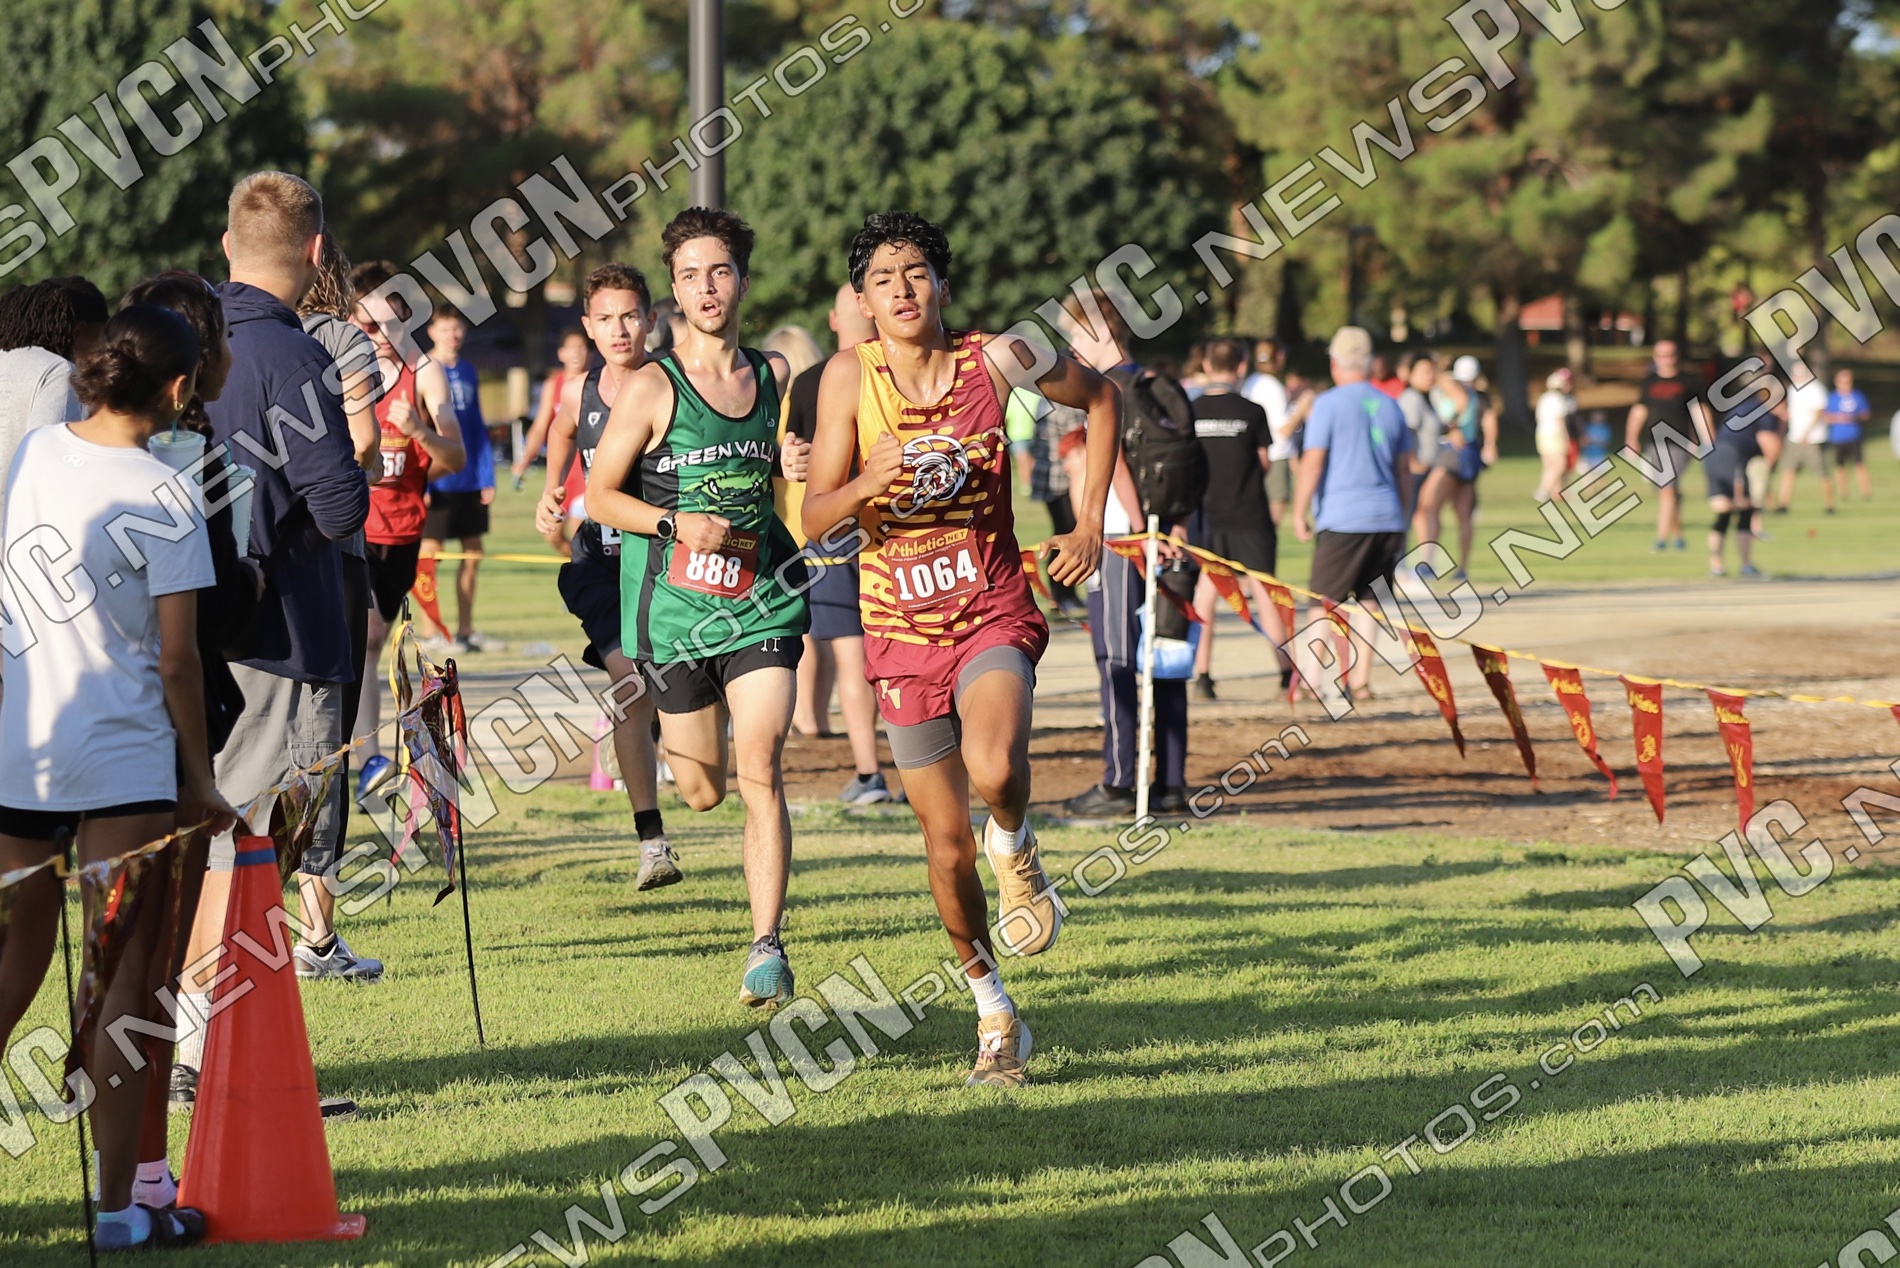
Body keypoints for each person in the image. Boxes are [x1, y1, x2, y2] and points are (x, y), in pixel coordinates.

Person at [802, 212, 1118, 1089]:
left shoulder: (1002, 355)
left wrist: (1088, 521)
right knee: (945, 849)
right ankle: (994, 1012)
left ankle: (1015, 843)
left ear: (942, 284)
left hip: (989, 609)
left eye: (916, 273)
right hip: (899, 634)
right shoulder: (846, 377)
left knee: (996, 765)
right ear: (862, 300)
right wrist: (865, 482)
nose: (901, 290)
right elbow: (814, 517)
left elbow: (1101, 398)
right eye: (882, 279)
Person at [0, 304, 237, 1249]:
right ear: (178, 387)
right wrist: (203, 781)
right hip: (124, 761)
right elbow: (179, 662)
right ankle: (116, 1211)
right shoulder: (168, 489)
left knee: (10, 971)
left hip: (23, 751)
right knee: (125, 992)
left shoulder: (32, 455)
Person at [585, 208, 811, 1008]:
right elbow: (600, 497)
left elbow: (783, 468)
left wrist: (793, 460)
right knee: (703, 791)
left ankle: (766, 946)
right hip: (676, 617)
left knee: (762, 764)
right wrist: (676, 524)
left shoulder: (773, 374)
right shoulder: (653, 386)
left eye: (718, 271)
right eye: (689, 276)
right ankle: (657, 761)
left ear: (741, 280)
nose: (706, 288)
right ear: (674, 293)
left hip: (762, 602)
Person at [202, 172, 374, 985]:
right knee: (257, 834)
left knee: (209, 821)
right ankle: (203, 1028)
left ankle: (200, 1024)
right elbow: (340, 508)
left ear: (228, 246)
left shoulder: (170, 337)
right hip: (280, 628)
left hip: (181, 621)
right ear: (316, 250)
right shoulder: (295, 352)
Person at [117, 273, 263, 1130]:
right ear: (192, 365)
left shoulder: (52, 453)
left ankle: (135, 1176)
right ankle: (140, 1175)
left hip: (64, 728)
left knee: (99, 959)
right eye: (223, 340)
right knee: (149, 962)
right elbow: (194, 635)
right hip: (158, 733)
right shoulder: (189, 465)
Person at [530, 263, 675, 887]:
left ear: (650, 320)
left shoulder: (674, 384)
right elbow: (561, 429)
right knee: (630, 685)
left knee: (666, 697)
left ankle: (675, 732)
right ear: (588, 327)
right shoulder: (577, 390)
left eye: (630, 317)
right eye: (606, 319)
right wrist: (551, 489)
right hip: (602, 562)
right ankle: (652, 843)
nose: (619, 330)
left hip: (668, 562)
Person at [1057, 294, 1192, 822]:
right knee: (1166, 659)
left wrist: (1138, 528)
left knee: (1113, 657)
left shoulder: (1105, 391)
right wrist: (1168, 527)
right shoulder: (1157, 384)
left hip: (1120, 540)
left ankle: (1118, 780)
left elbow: (1112, 464)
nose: (1071, 346)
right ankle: (1171, 781)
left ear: (1101, 333)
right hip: (1170, 537)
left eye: (1076, 334)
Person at [777, 295, 903, 804]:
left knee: (851, 657)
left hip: (835, 536)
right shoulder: (905, 368)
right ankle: (923, 763)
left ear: (833, 320)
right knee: (895, 655)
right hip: (901, 532)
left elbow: (792, 461)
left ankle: (870, 773)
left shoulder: (815, 380)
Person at [348, 259, 463, 800]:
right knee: (367, 636)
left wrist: (419, 430)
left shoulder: (426, 373)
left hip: (403, 531)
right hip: (353, 525)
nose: (378, 336)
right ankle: (368, 760)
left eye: (388, 325)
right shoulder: (343, 370)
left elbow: (455, 456)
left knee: (371, 646)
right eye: (366, 326)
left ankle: (361, 754)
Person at [1292, 326, 1416, 702]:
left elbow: (1313, 462)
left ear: (1335, 363)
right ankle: (1360, 681)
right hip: (1386, 516)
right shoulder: (1391, 405)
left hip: (1343, 516)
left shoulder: (1327, 404)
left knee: (1322, 600)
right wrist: (1403, 515)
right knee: (1370, 600)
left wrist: (1299, 509)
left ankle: (1313, 679)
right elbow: (1404, 470)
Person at [1188, 337, 1290, 699]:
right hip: (1250, 515)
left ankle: (1202, 675)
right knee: (1265, 592)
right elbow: (1264, 462)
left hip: (1207, 516)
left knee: (1205, 594)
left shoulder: (1191, 410)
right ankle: (1285, 672)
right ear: (1242, 366)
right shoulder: (1253, 410)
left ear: (1206, 365)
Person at [418, 308, 499, 652]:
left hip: (468, 480)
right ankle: (431, 632)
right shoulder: (421, 369)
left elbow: (477, 427)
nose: (452, 334)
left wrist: (486, 475)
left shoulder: (467, 371)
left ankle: (466, 630)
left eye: (457, 328)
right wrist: (420, 483)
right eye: (445, 328)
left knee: (473, 553)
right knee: (429, 556)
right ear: (432, 331)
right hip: (436, 481)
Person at [0, 277, 108, 522]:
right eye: (99, 343)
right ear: (79, 332)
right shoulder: (59, 372)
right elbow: (52, 472)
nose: (100, 356)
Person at [1415, 355, 1495, 579]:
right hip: (1470, 452)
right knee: (1463, 514)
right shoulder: (1478, 393)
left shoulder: (1447, 381)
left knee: (1426, 507)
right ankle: (1462, 568)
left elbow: (1460, 401)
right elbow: (1488, 417)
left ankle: (1427, 563)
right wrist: (1490, 444)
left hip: (1452, 452)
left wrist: (1450, 426)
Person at [1624, 339, 1706, 551]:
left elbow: (1699, 411)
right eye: (1661, 354)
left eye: (1670, 354)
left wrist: (1705, 438)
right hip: (1654, 444)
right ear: (1655, 357)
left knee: (1667, 489)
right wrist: (1631, 439)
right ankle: (1678, 535)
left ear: (1677, 356)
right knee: (1665, 491)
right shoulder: (1649, 383)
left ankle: (1660, 539)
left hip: (1679, 443)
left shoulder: (1688, 381)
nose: (1666, 359)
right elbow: (1639, 411)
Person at [1707, 372, 1783, 577]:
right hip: (1733, 459)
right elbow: (1771, 449)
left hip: (1713, 456)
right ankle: (1746, 565)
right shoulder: (1763, 412)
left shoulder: (1741, 407)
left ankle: (1716, 566)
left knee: (1724, 511)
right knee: (1744, 509)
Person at [513, 327, 592, 493]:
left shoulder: (597, 383)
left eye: (581, 347)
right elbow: (540, 426)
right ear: (561, 353)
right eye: (571, 347)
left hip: (590, 466)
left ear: (590, 353)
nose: (576, 353)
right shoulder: (553, 385)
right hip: (562, 465)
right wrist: (525, 460)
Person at [1242, 337, 1293, 525]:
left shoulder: (1251, 382)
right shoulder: (1274, 387)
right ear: (1278, 357)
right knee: (1274, 516)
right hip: (1275, 455)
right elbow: (1283, 431)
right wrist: (1304, 407)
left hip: (1255, 453)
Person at [1775, 369, 1833, 515]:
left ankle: (1829, 505)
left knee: (1822, 473)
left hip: (1812, 439)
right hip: (1793, 438)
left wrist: (1807, 432)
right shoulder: (1792, 389)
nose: (1795, 377)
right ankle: (1783, 505)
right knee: (1788, 470)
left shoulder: (1816, 388)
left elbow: (1819, 411)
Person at [1825, 366, 1873, 503]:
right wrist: (1838, 418)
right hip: (1838, 437)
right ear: (1837, 382)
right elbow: (1825, 416)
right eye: (1842, 381)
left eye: (1848, 381)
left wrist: (1854, 417)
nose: (1846, 384)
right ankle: (1843, 493)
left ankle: (1866, 492)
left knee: (1859, 464)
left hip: (1854, 436)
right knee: (1840, 466)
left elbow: (1866, 414)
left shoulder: (1858, 396)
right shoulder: (1832, 397)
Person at [1534, 367, 1577, 502]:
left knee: (1549, 465)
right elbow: (1560, 421)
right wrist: (1565, 438)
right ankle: (1543, 490)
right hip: (1554, 434)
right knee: (1559, 464)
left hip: (1541, 434)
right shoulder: (1558, 399)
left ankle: (1555, 492)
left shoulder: (1544, 398)